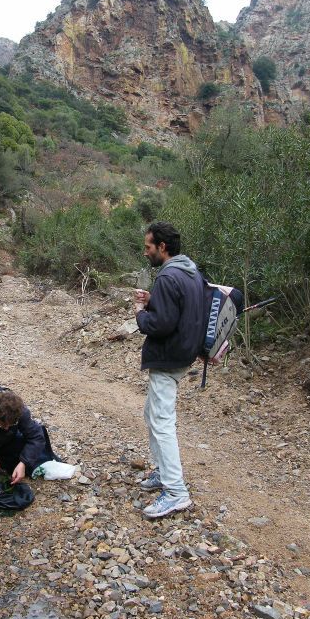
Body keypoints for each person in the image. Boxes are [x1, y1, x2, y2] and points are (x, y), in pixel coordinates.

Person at [134, 221, 205, 518]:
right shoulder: (191, 271)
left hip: (168, 356)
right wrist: (155, 301)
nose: (146, 252)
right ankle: (163, 473)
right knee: (152, 413)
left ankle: (176, 492)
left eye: (149, 247)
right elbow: (181, 309)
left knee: (162, 421)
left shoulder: (166, 277)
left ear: (162, 247)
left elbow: (161, 325)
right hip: (185, 354)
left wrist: (140, 314)